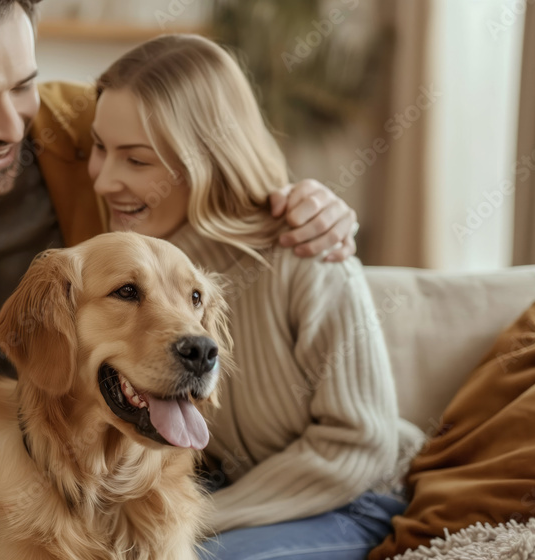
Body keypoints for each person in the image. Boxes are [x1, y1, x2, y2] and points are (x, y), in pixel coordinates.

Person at [0, 0, 361, 392]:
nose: (10, 126)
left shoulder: (93, 125)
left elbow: (214, 163)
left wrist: (300, 200)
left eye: (23, 86)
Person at [88, 34, 424, 560]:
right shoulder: (134, 268)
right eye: (99, 148)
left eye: (135, 160)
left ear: (207, 159)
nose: (105, 179)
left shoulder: (305, 255)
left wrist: (192, 519)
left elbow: (359, 442)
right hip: (230, 497)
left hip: (352, 501)